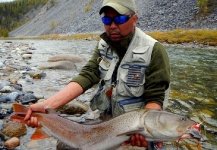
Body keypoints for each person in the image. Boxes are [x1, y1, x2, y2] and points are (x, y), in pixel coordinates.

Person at [24, 0, 170, 149]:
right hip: (106, 121)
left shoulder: (154, 50)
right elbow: (88, 74)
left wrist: (147, 132)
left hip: (134, 127)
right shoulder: (103, 44)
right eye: (107, 20)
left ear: (134, 19)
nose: (112, 25)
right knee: (65, 146)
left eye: (119, 19)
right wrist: (47, 106)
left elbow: (155, 99)